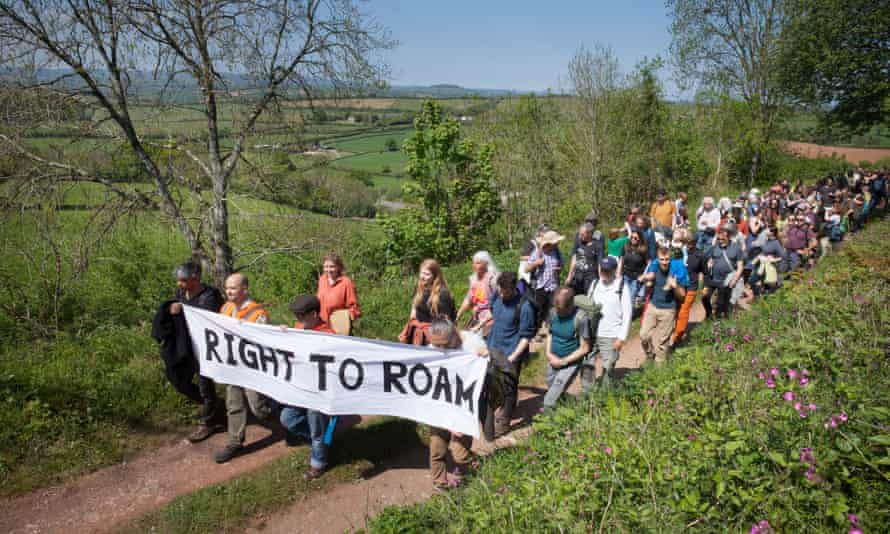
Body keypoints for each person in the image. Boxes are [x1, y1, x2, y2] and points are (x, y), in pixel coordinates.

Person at [151, 261, 225, 443]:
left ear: (195, 278)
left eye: (183, 280)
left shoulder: (209, 295)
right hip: (185, 345)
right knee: (179, 381)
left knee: (204, 384)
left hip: (205, 347)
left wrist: (183, 309)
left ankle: (208, 421)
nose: (179, 284)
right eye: (178, 280)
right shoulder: (180, 293)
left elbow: (207, 316)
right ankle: (217, 408)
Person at [215, 273, 274, 464]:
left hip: (251, 368)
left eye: (233, 288)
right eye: (227, 288)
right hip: (233, 366)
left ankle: (288, 418)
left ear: (244, 289)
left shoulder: (258, 314)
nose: (228, 291)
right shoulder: (225, 308)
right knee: (233, 404)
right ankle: (235, 442)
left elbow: (265, 343)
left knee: (258, 408)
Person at [278, 295, 334, 480]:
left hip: (319, 391)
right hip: (301, 387)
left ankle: (318, 463)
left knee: (315, 422)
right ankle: (322, 444)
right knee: (288, 418)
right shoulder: (298, 328)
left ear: (314, 314)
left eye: (301, 315)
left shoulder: (328, 335)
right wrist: (283, 336)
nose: (297, 319)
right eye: (296, 315)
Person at [427, 318, 478, 490]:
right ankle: (440, 484)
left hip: (462, 408)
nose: (440, 349)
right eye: (436, 345)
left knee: (459, 452)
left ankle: (480, 468)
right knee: (437, 450)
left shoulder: (469, 343)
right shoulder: (429, 352)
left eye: (444, 345)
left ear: (453, 335)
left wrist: (484, 356)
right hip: (439, 409)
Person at [483, 272, 536, 437]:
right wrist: (479, 324)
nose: (501, 293)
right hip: (493, 349)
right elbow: (493, 312)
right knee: (492, 384)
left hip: (511, 352)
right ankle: (502, 407)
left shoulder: (524, 306)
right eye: (499, 289)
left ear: (513, 288)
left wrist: (513, 357)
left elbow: (526, 337)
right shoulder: (498, 296)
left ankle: (505, 420)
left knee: (509, 387)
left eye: (504, 291)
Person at [584, 257, 632, 391]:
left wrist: (621, 338)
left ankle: (605, 397)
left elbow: (627, 314)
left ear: (614, 270)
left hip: (611, 336)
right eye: (602, 270)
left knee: (608, 369)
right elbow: (587, 306)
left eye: (607, 271)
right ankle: (587, 394)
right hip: (592, 334)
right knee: (587, 365)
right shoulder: (594, 284)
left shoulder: (621, 287)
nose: (604, 273)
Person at [542, 287, 591, 409]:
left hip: (570, 363)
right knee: (552, 387)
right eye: (556, 308)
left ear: (571, 305)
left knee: (548, 401)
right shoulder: (553, 312)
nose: (558, 312)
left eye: (561, 310)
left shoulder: (581, 319)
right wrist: (549, 354)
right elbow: (549, 333)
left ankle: (549, 424)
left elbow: (585, 348)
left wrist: (564, 361)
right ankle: (572, 405)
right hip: (553, 359)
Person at [639, 246, 689, 364]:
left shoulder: (676, 270)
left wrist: (675, 285)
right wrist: (646, 280)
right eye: (662, 259)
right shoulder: (655, 268)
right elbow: (649, 281)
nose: (664, 262)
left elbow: (682, 295)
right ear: (658, 258)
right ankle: (650, 354)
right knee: (643, 335)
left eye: (667, 259)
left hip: (668, 310)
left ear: (670, 259)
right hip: (653, 306)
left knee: (663, 342)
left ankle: (659, 367)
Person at [399, 259, 455, 346]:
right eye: (422, 273)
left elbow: (445, 321)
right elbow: (414, 309)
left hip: (437, 334)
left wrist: (437, 343)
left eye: (427, 274)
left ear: (435, 276)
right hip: (419, 332)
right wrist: (409, 330)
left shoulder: (443, 294)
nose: (422, 277)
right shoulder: (420, 286)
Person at [700, 226, 744, 320]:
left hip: (726, 281)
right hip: (713, 279)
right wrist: (709, 264)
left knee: (721, 303)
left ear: (729, 237)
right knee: (704, 298)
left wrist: (734, 280)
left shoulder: (736, 249)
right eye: (719, 238)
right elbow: (708, 259)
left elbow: (740, 267)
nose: (721, 241)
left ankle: (719, 321)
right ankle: (709, 314)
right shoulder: (714, 248)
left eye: (723, 238)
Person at [525, 230, 564, 331]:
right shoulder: (538, 252)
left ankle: (549, 330)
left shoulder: (557, 252)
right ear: (549, 243)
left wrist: (559, 269)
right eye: (555, 242)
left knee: (552, 309)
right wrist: (536, 263)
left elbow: (561, 265)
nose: (557, 243)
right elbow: (526, 269)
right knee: (539, 310)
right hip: (540, 286)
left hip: (553, 285)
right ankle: (535, 330)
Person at [315, 252, 360, 335]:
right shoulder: (322, 279)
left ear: (338, 267)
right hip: (321, 325)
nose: (328, 270)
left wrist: (346, 318)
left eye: (332, 267)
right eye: (326, 267)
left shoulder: (346, 282)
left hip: (338, 328)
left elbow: (354, 307)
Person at [456, 251, 499, 334]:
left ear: (486, 264)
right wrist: (458, 315)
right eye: (473, 263)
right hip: (477, 317)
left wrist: (481, 324)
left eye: (478, 263)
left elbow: (497, 304)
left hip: (491, 319)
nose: (474, 266)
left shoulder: (492, 279)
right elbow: (468, 299)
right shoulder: (473, 279)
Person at [673, 232, 704, 345]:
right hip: (679, 285)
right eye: (686, 242)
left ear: (695, 242)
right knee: (677, 311)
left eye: (691, 242)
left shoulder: (700, 255)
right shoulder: (678, 252)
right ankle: (679, 329)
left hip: (692, 286)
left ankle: (677, 337)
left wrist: (703, 286)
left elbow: (704, 271)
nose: (688, 244)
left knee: (684, 311)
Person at [566, 222, 605, 296]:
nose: (580, 236)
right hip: (578, 277)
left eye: (582, 234)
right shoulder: (578, 241)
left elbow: (600, 264)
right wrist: (569, 276)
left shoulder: (598, 246)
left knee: (588, 299)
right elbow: (574, 258)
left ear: (589, 234)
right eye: (580, 234)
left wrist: (601, 280)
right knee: (575, 298)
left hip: (591, 278)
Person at [619, 230, 649, 308]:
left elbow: (649, 263)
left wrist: (644, 275)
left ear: (640, 239)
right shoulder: (626, 247)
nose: (633, 239)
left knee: (631, 297)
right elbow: (621, 260)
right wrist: (618, 272)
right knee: (623, 296)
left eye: (635, 238)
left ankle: (629, 315)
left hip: (636, 278)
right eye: (631, 237)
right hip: (626, 275)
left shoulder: (643, 249)